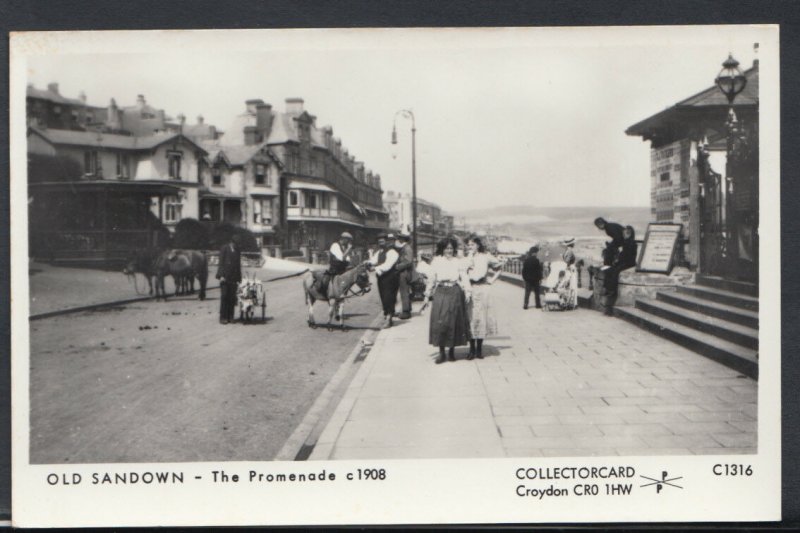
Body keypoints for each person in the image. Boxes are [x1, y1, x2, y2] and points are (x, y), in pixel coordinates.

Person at [425, 237, 472, 364]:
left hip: (455, 291)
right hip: (440, 291)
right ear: (442, 249)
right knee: (440, 323)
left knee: (453, 321)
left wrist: (468, 291)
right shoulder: (436, 261)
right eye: (447, 248)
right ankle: (441, 352)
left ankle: (451, 352)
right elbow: (431, 278)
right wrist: (427, 294)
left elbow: (464, 277)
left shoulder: (458, 261)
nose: (449, 251)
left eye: (451, 248)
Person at [465, 235, 501, 360]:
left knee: (481, 318)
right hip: (470, 289)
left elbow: (499, 266)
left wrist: (492, 280)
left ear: (478, 245)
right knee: (471, 318)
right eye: (468, 245)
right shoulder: (467, 258)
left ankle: (479, 349)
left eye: (472, 245)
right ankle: (471, 349)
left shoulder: (486, 257)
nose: (470, 247)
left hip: (483, 288)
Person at [602, 225, 638, 316]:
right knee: (610, 271)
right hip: (624, 263)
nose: (624, 235)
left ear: (629, 234)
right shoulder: (627, 242)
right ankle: (609, 290)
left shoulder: (631, 243)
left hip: (627, 264)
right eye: (624, 233)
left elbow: (628, 256)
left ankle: (610, 291)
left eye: (626, 233)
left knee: (614, 273)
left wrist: (618, 258)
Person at [371, 233, 400, 328]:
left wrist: (374, 268)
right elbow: (373, 260)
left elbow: (387, 266)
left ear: (387, 241)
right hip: (382, 278)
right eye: (379, 242)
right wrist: (367, 263)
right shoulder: (379, 252)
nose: (381, 243)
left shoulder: (392, 252)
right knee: (383, 297)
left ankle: (389, 318)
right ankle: (386, 315)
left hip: (390, 278)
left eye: (382, 241)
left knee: (389, 298)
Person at [216, 233, 242, 324]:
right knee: (224, 297)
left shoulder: (237, 250)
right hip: (225, 277)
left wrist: (239, 279)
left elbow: (238, 265)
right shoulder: (224, 248)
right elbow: (221, 263)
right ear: (232, 242)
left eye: (238, 244)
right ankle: (223, 317)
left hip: (234, 277)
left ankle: (231, 316)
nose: (236, 245)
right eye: (236, 244)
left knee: (232, 297)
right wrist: (221, 275)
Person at [319, 232, 354, 296]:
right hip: (335, 270)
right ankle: (325, 294)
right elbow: (342, 258)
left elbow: (348, 259)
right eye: (348, 241)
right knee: (327, 283)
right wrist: (348, 249)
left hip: (343, 270)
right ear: (344, 239)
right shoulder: (335, 245)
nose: (349, 243)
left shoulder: (344, 248)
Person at [394, 230, 415, 319]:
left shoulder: (407, 248)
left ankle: (406, 312)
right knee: (405, 291)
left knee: (404, 292)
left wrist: (397, 267)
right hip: (404, 272)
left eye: (400, 238)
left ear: (403, 239)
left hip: (405, 272)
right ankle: (407, 309)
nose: (398, 239)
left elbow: (408, 261)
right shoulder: (405, 247)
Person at [522, 245, 543, 310]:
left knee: (527, 293)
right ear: (534, 253)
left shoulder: (526, 260)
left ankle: (525, 304)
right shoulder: (536, 260)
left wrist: (525, 278)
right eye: (536, 252)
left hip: (528, 279)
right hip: (535, 280)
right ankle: (538, 304)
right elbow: (539, 270)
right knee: (537, 293)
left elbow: (523, 271)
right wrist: (540, 278)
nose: (537, 254)